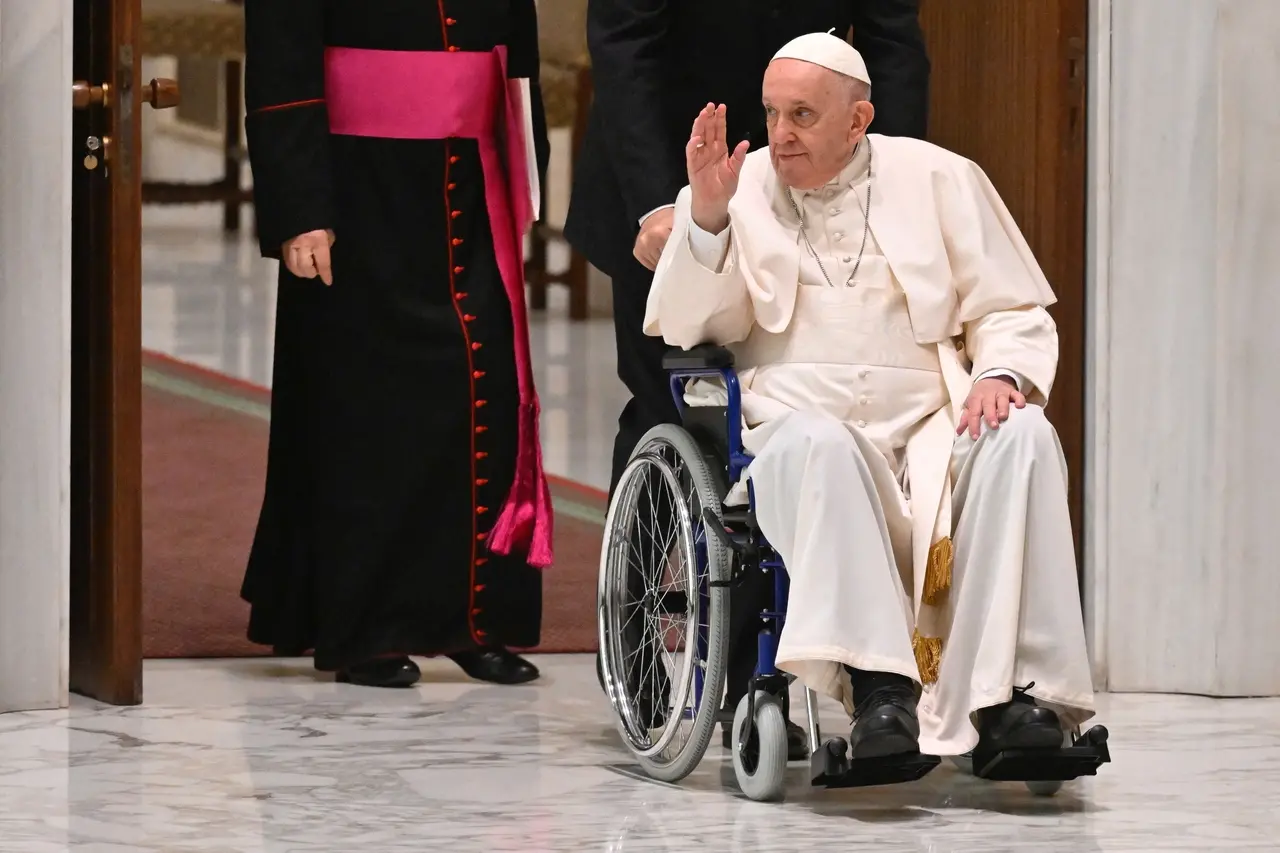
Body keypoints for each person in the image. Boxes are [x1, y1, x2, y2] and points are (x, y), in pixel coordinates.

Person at [644, 32, 1095, 761]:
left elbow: (1012, 310)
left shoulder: (940, 177)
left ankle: (1017, 697)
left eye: (802, 116)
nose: (780, 136)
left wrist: (999, 375)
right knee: (821, 442)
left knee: (1024, 434)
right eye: (772, 114)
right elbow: (699, 325)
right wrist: (708, 220)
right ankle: (882, 690)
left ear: (859, 120)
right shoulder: (739, 185)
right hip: (796, 425)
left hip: (932, 430)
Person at [567, 0, 931, 759]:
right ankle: (649, 659)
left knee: (791, 404)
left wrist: (893, 185)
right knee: (678, 399)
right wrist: (660, 205)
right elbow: (627, 43)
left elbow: (893, 41)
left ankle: (791, 661)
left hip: (810, 177)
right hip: (670, 166)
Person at [239, 1, 553, 689]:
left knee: (486, 390)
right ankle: (369, 629)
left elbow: (517, 51)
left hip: (472, 183)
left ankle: (477, 621)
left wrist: (525, 167)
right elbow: (281, 59)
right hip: (357, 193)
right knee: (371, 413)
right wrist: (300, 209)